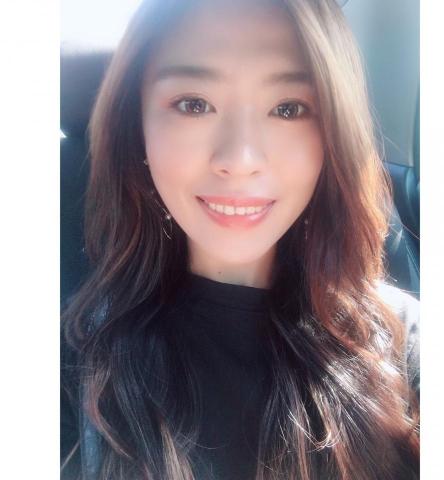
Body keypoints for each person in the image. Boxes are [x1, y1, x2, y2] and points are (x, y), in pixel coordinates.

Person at [61, 0, 420, 479]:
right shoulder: (73, 363)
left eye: (288, 108)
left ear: (335, 132)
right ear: (137, 125)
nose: (240, 159)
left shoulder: (403, 341)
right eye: (194, 104)